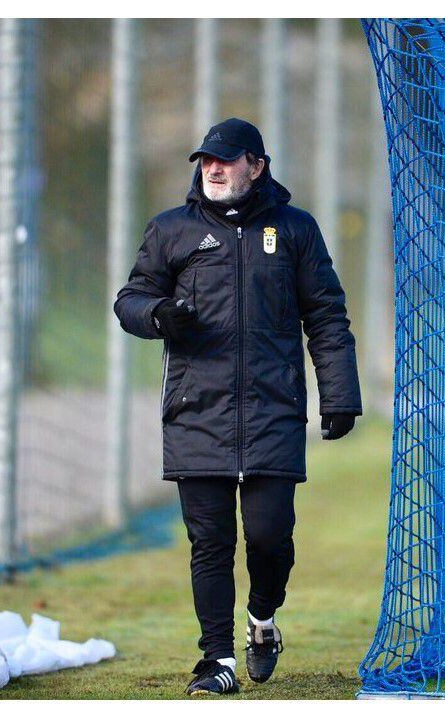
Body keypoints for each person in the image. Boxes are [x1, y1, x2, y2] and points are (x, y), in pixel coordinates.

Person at [114, 118, 361, 696]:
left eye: (226, 160)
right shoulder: (171, 231)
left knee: (271, 537)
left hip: (274, 412)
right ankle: (217, 660)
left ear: (257, 165)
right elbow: (130, 298)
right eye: (205, 160)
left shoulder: (296, 230)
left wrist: (340, 395)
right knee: (210, 542)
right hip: (195, 411)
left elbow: (325, 317)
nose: (213, 169)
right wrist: (157, 315)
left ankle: (263, 620)